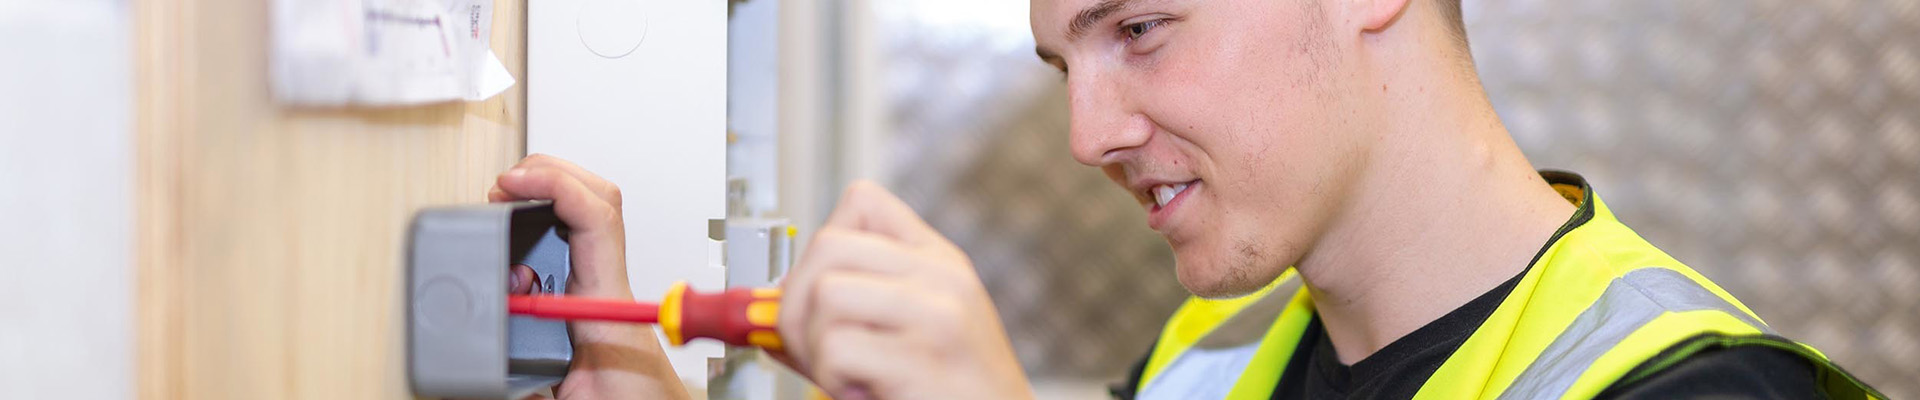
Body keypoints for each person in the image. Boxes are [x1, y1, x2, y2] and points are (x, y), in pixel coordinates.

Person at [488, 0, 1885, 397]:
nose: (1090, 130)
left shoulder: (1692, 393)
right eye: (1062, 64)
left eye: (1141, 29)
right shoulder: (1210, 367)